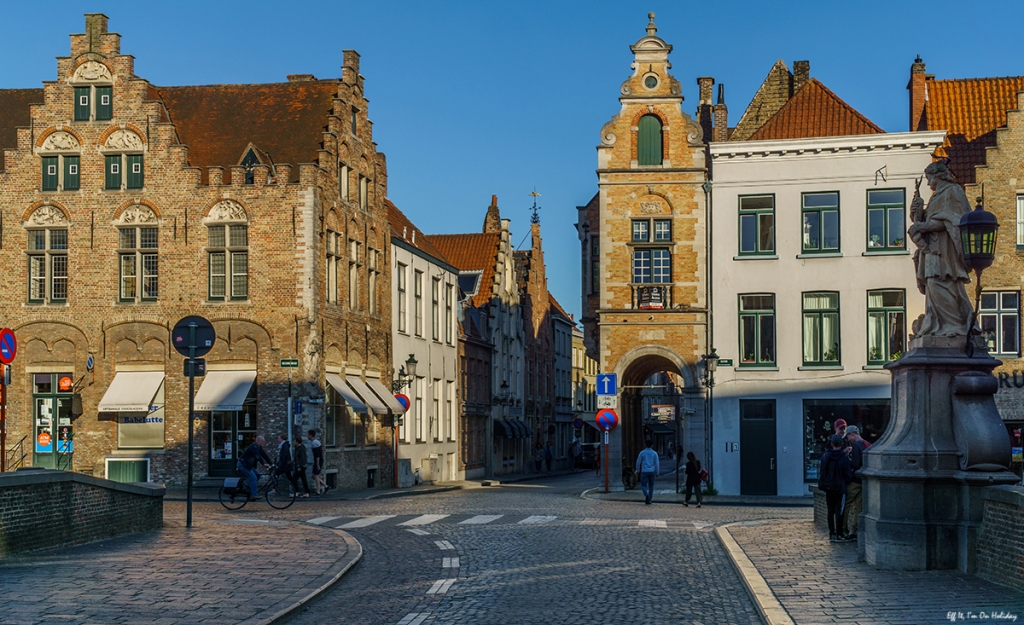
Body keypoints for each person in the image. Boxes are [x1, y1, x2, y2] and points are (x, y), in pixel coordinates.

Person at [908, 160, 974, 337]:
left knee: (941, 282)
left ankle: (955, 325)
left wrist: (923, 226)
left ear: (937, 175)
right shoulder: (936, 196)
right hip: (931, 249)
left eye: (929, 177)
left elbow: (955, 218)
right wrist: (917, 212)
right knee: (932, 284)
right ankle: (937, 325)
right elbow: (929, 219)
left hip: (946, 250)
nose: (928, 182)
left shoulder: (954, 191)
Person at [818, 434, 854, 542]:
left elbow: (822, 471)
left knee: (830, 511)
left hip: (829, 487)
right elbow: (848, 475)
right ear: (842, 444)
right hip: (840, 487)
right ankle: (839, 533)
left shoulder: (825, 456)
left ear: (832, 444)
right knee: (840, 511)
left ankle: (831, 533)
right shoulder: (844, 458)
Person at [842, 426, 870, 540]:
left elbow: (855, 464)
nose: (848, 439)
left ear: (852, 434)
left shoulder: (856, 446)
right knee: (858, 507)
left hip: (854, 481)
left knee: (846, 505)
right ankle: (854, 530)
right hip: (864, 481)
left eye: (848, 436)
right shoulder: (867, 444)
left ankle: (844, 529)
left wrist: (847, 458)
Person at [237, 435, 271, 500]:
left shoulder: (259, 447)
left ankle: (249, 489)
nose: (263, 443)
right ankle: (253, 495)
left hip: (248, 465)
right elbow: (257, 456)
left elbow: (264, 455)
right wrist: (263, 464)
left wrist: (271, 464)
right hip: (242, 464)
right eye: (262, 441)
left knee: (258, 475)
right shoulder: (254, 446)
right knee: (253, 477)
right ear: (258, 441)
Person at [635, 439, 660, 505]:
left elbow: (638, 462)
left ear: (645, 445)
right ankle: (649, 499)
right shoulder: (654, 453)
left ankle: (646, 495)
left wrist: (637, 469)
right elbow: (657, 463)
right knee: (651, 486)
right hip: (652, 471)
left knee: (643, 485)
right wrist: (657, 472)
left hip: (644, 471)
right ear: (652, 445)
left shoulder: (642, 453)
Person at [308, 429, 328, 495]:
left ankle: (318, 491)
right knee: (313, 476)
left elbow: (317, 455)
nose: (307, 436)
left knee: (316, 476)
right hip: (317, 461)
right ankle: (325, 486)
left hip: (318, 461)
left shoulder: (314, 443)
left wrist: (317, 464)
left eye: (308, 435)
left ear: (311, 435)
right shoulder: (315, 442)